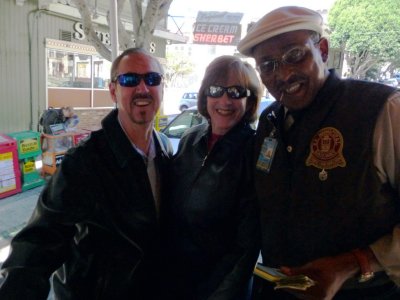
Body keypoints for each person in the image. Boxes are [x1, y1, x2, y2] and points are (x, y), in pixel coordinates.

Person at [237, 6, 400, 300]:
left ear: (322, 49)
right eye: (268, 65)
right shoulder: (269, 121)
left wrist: (352, 264)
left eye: (294, 55)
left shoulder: (381, 110)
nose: (284, 74)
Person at [0, 48, 173, 299]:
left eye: (152, 79)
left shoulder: (166, 150)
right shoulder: (83, 163)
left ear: (162, 87)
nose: (143, 88)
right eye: (129, 80)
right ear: (113, 90)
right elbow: (36, 247)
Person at [163, 55, 262, 300]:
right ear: (205, 95)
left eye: (236, 92)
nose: (224, 101)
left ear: (249, 102)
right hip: (175, 280)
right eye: (216, 90)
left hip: (220, 289)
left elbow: (247, 248)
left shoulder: (254, 152)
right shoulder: (190, 140)